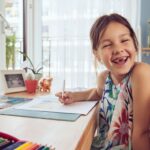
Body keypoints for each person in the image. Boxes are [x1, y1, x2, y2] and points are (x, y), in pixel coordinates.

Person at [55, 13, 150, 150]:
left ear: (135, 44)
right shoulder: (104, 78)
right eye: (107, 45)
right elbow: (97, 93)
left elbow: (142, 133)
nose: (118, 49)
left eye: (124, 40)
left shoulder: (141, 73)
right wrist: (74, 96)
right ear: (97, 54)